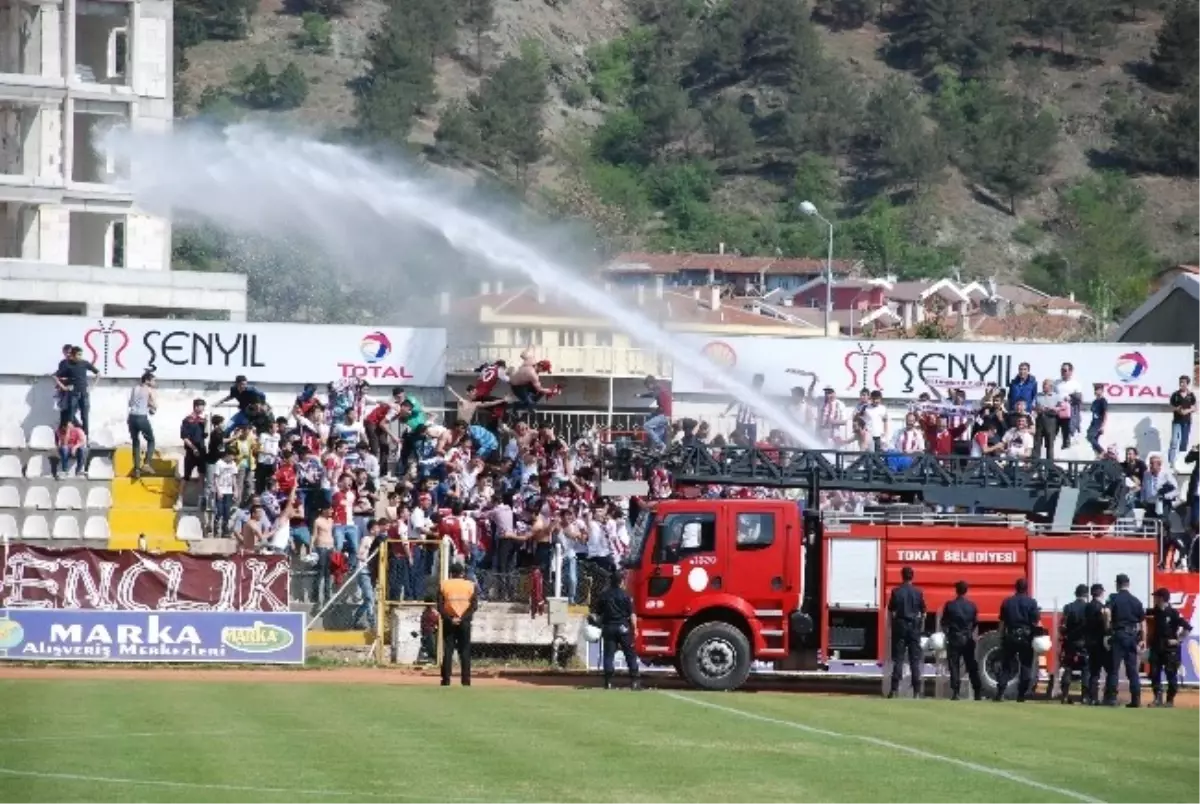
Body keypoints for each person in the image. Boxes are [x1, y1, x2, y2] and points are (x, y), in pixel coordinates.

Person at [590, 570, 641, 690]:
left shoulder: (604, 595)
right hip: (623, 627)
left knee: (608, 655)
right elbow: (632, 614)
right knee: (630, 654)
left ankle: (608, 682)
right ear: (621, 581)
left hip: (608, 627)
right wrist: (635, 629)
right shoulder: (626, 595)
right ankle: (634, 681)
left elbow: (597, 614)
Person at [993, 578, 1040, 702]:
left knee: (1006, 666)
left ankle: (1000, 693)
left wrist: (1001, 636)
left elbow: (1002, 622)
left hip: (1010, 637)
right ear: (1027, 588)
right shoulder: (1031, 603)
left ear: (1015, 587)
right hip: (1026, 637)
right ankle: (1021, 695)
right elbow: (1036, 622)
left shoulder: (1007, 602)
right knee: (1026, 666)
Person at [1104, 573, 1146, 708]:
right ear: (1128, 584)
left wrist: (1108, 628)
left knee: (1114, 668)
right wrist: (1143, 639)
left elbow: (1106, 612)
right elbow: (1143, 622)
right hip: (1132, 636)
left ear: (1117, 584)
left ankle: (1111, 698)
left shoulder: (1114, 598)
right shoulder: (1136, 601)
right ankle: (1136, 699)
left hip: (1118, 634)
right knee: (1132, 669)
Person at [1148, 587, 1193, 707]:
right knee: (1154, 673)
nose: (1154, 599)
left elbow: (1187, 628)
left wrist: (1178, 640)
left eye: (1156, 597)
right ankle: (1157, 698)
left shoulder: (1173, 613)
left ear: (1161, 598)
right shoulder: (1153, 612)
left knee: (1171, 674)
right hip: (1156, 647)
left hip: (1170, 649)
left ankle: (1169, 700)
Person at [886, 566, 926, 699]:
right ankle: (917, 691)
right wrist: (919, 626)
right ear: (912, 576)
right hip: (914, 627)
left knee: (898, 659)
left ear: (901, 576)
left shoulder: (896, 592)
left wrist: (893, 625)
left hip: (900, 627)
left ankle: (894, 689)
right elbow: (923, 612)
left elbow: (891, 610)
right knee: (914, 660)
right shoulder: (918, 592)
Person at [438, 562, 478, 686]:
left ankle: (446, 680)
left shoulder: (444, 585)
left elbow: (440, 606)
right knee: (465, 650)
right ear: (462, 573)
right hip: (464, 621)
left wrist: (450, 619)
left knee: (448, 650)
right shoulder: (470, 585)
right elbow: (474, 606)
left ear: (451, 573)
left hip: (449, 621)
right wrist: (463, 618)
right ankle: (466, 680)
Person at [940, 580, 981, 701]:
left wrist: (948, 633)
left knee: (954, 665)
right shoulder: (972, 606)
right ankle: (977, 690)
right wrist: (968, 632)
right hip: (967, 638)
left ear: (956, 590)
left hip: (954, 638)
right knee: (971, 665)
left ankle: (955, 692)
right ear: (966, 591)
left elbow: (944, 622)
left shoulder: (950, 605)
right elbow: (975, 623)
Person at [1057, 584, 1091, 704]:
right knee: (1086, 669)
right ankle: (1085, 696)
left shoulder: (1068, 607)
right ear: (1086, 594)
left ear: (1075, 594)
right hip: (1085, 643)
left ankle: (1065, 695)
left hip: (1070, 643)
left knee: (1068, 667)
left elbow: (1062, 626)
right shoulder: (1089, 608)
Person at [54, 345, 100, 434]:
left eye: (81, 354)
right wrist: (64, 387)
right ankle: (70, 436)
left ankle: (85, 438)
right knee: (69, 415)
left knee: (85, 416)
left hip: (84, 393)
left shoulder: (84, 363)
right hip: (72, 393)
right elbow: (56, 376)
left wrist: (93, 386)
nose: (80, 356)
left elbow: (98, 373)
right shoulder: (66, 364)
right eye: (78, 354)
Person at [127, 372, 157, 478]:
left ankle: (136, 469)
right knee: (151, 440)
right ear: (147, 380)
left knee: (135, 442)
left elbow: (130, 403)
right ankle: (147, 463)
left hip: (131, 417)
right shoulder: (149, 390)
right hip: (141, 417)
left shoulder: (135, 388)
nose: (154, 382)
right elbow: (154, 406)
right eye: (153, 380)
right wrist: (151, 406)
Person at [1083, 583, 1109, 705]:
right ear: (1101, 593)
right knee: (1108, 669)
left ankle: (1092, 697)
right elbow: (1104, 625)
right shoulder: (1101, 608)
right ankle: (1105, 696)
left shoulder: (1088, 607)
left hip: (1090, 641)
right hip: (1100, 642)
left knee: (1093, 671)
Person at [639, 375, 673, 450]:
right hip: (664, 414)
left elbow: (653, 394)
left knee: (646, 426)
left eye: (647, 386)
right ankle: (659, 449)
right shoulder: (660, 388)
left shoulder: (658, 388)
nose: (647, 388)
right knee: (657, 435)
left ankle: (661, 445)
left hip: (664, 415)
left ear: (651, 383)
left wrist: (641, 395)